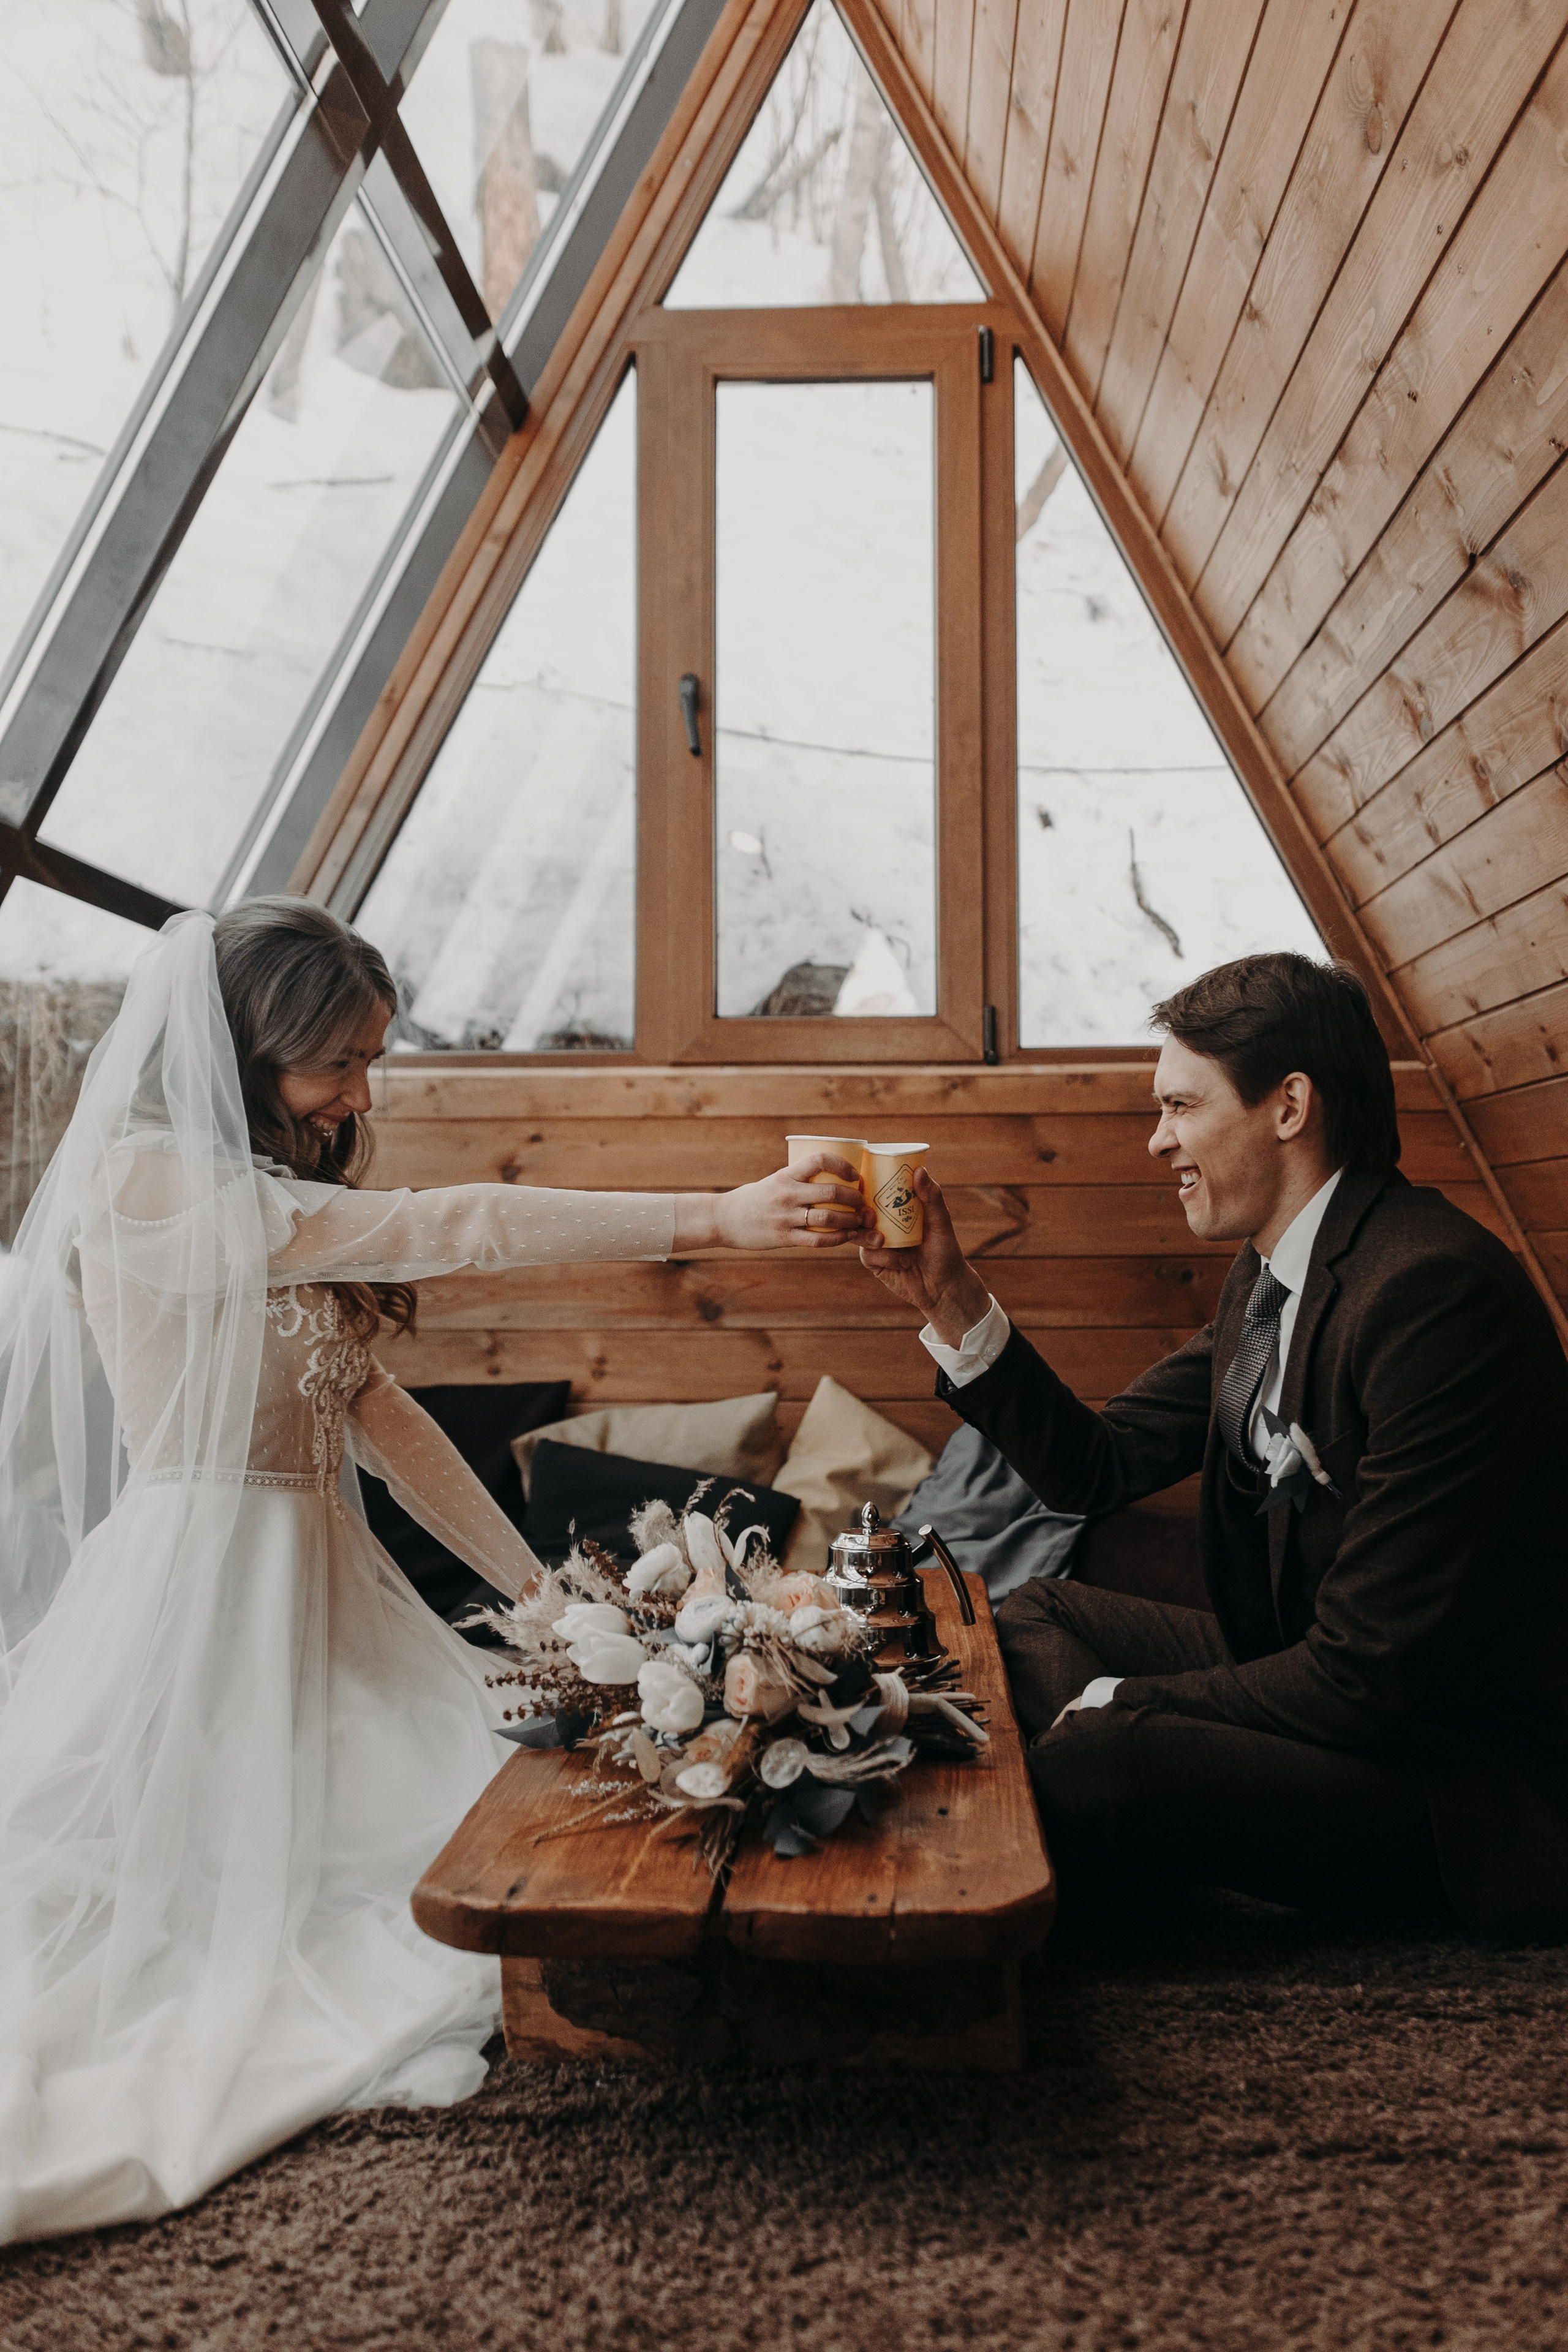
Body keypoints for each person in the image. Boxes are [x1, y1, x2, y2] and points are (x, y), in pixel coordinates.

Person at [0, 900, 872, 2245]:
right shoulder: (143, 1182)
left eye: (368, 1061)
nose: (357, 1096)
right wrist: (716, 1215)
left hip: (328, 1598)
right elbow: (456, 1221)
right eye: (334, 1063)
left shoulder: (279, 1204)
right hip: (200, 1602)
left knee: (498, 1825)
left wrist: (551, 1605)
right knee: (164, 1915)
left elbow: (387, 1427)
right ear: (241, 1052)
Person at [862, 952, 1568, 1938]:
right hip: (1308, 1674)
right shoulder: (1273, 1274)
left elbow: (1368, 1677)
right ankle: (1138, 1832)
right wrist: (947, 1295)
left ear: (1289, 1107)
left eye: (1181, 1108)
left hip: (1448, 1771)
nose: (1159, 1142)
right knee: (1031, 1613)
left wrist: (1124, 1705)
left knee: (1097, 1757)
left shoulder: (1433, 1296)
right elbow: (1093, 1468)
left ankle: (1104, 1830)